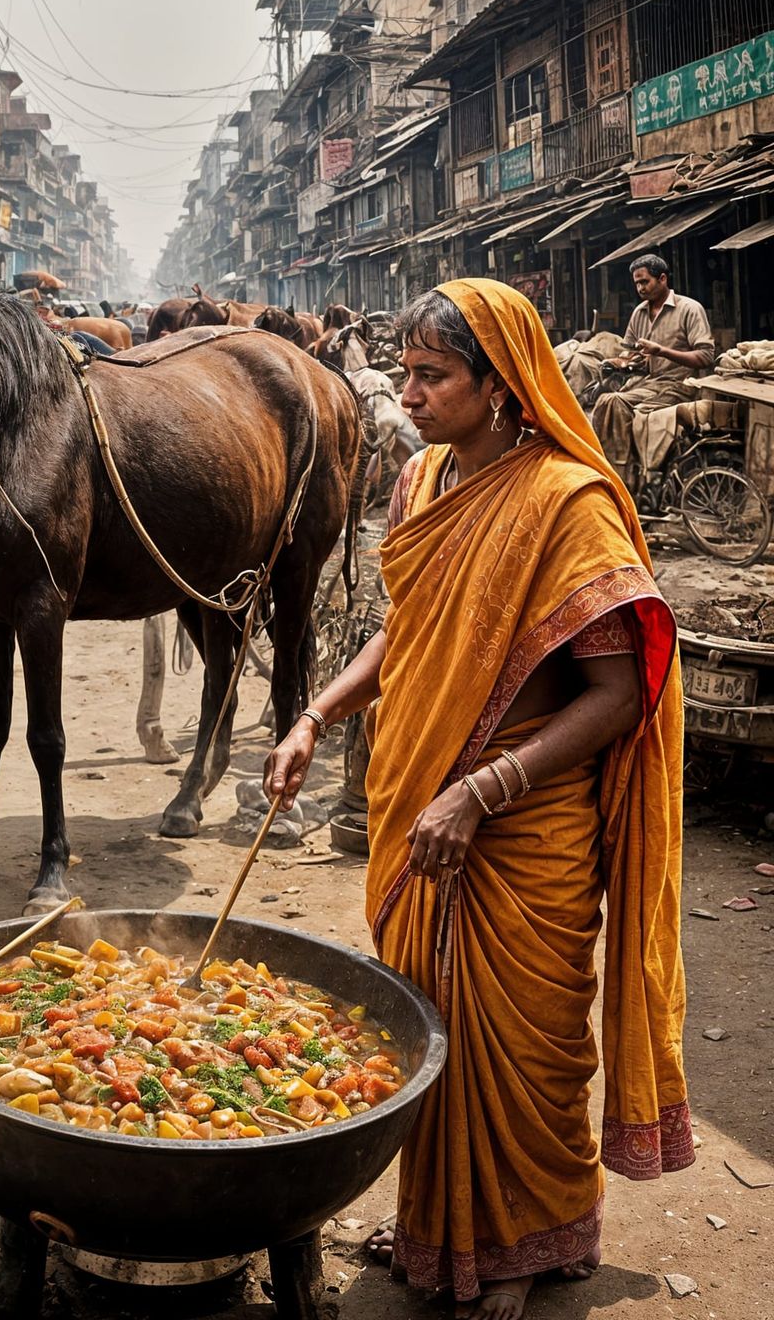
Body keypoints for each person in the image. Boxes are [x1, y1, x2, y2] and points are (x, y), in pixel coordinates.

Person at [265, 279, 691, 1320]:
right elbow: (402, 632)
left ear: (499, 385)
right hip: (422, 807)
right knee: (422, 1027)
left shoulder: (565, 502)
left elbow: (618, 689)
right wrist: (315, 714)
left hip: (523, 827)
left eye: (431, 375)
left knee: (523, 1046)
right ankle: (436, 1225)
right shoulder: (418, 483)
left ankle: (529, 1241)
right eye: (404, 372)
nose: (406, 393)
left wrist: (483, 788)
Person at [590, 254, 713, 495]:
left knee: (615, 402)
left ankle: (631, 482)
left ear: (663, 278)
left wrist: (662, 351)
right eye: (636, 283)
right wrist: (619, 362)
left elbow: (706, 356)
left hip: (681, 384)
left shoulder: (689, 309)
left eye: (645, 282)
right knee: (603, 402)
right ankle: (614, 473)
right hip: (649, 383)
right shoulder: (639, 313)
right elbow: (633, 355)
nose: (640, 288)